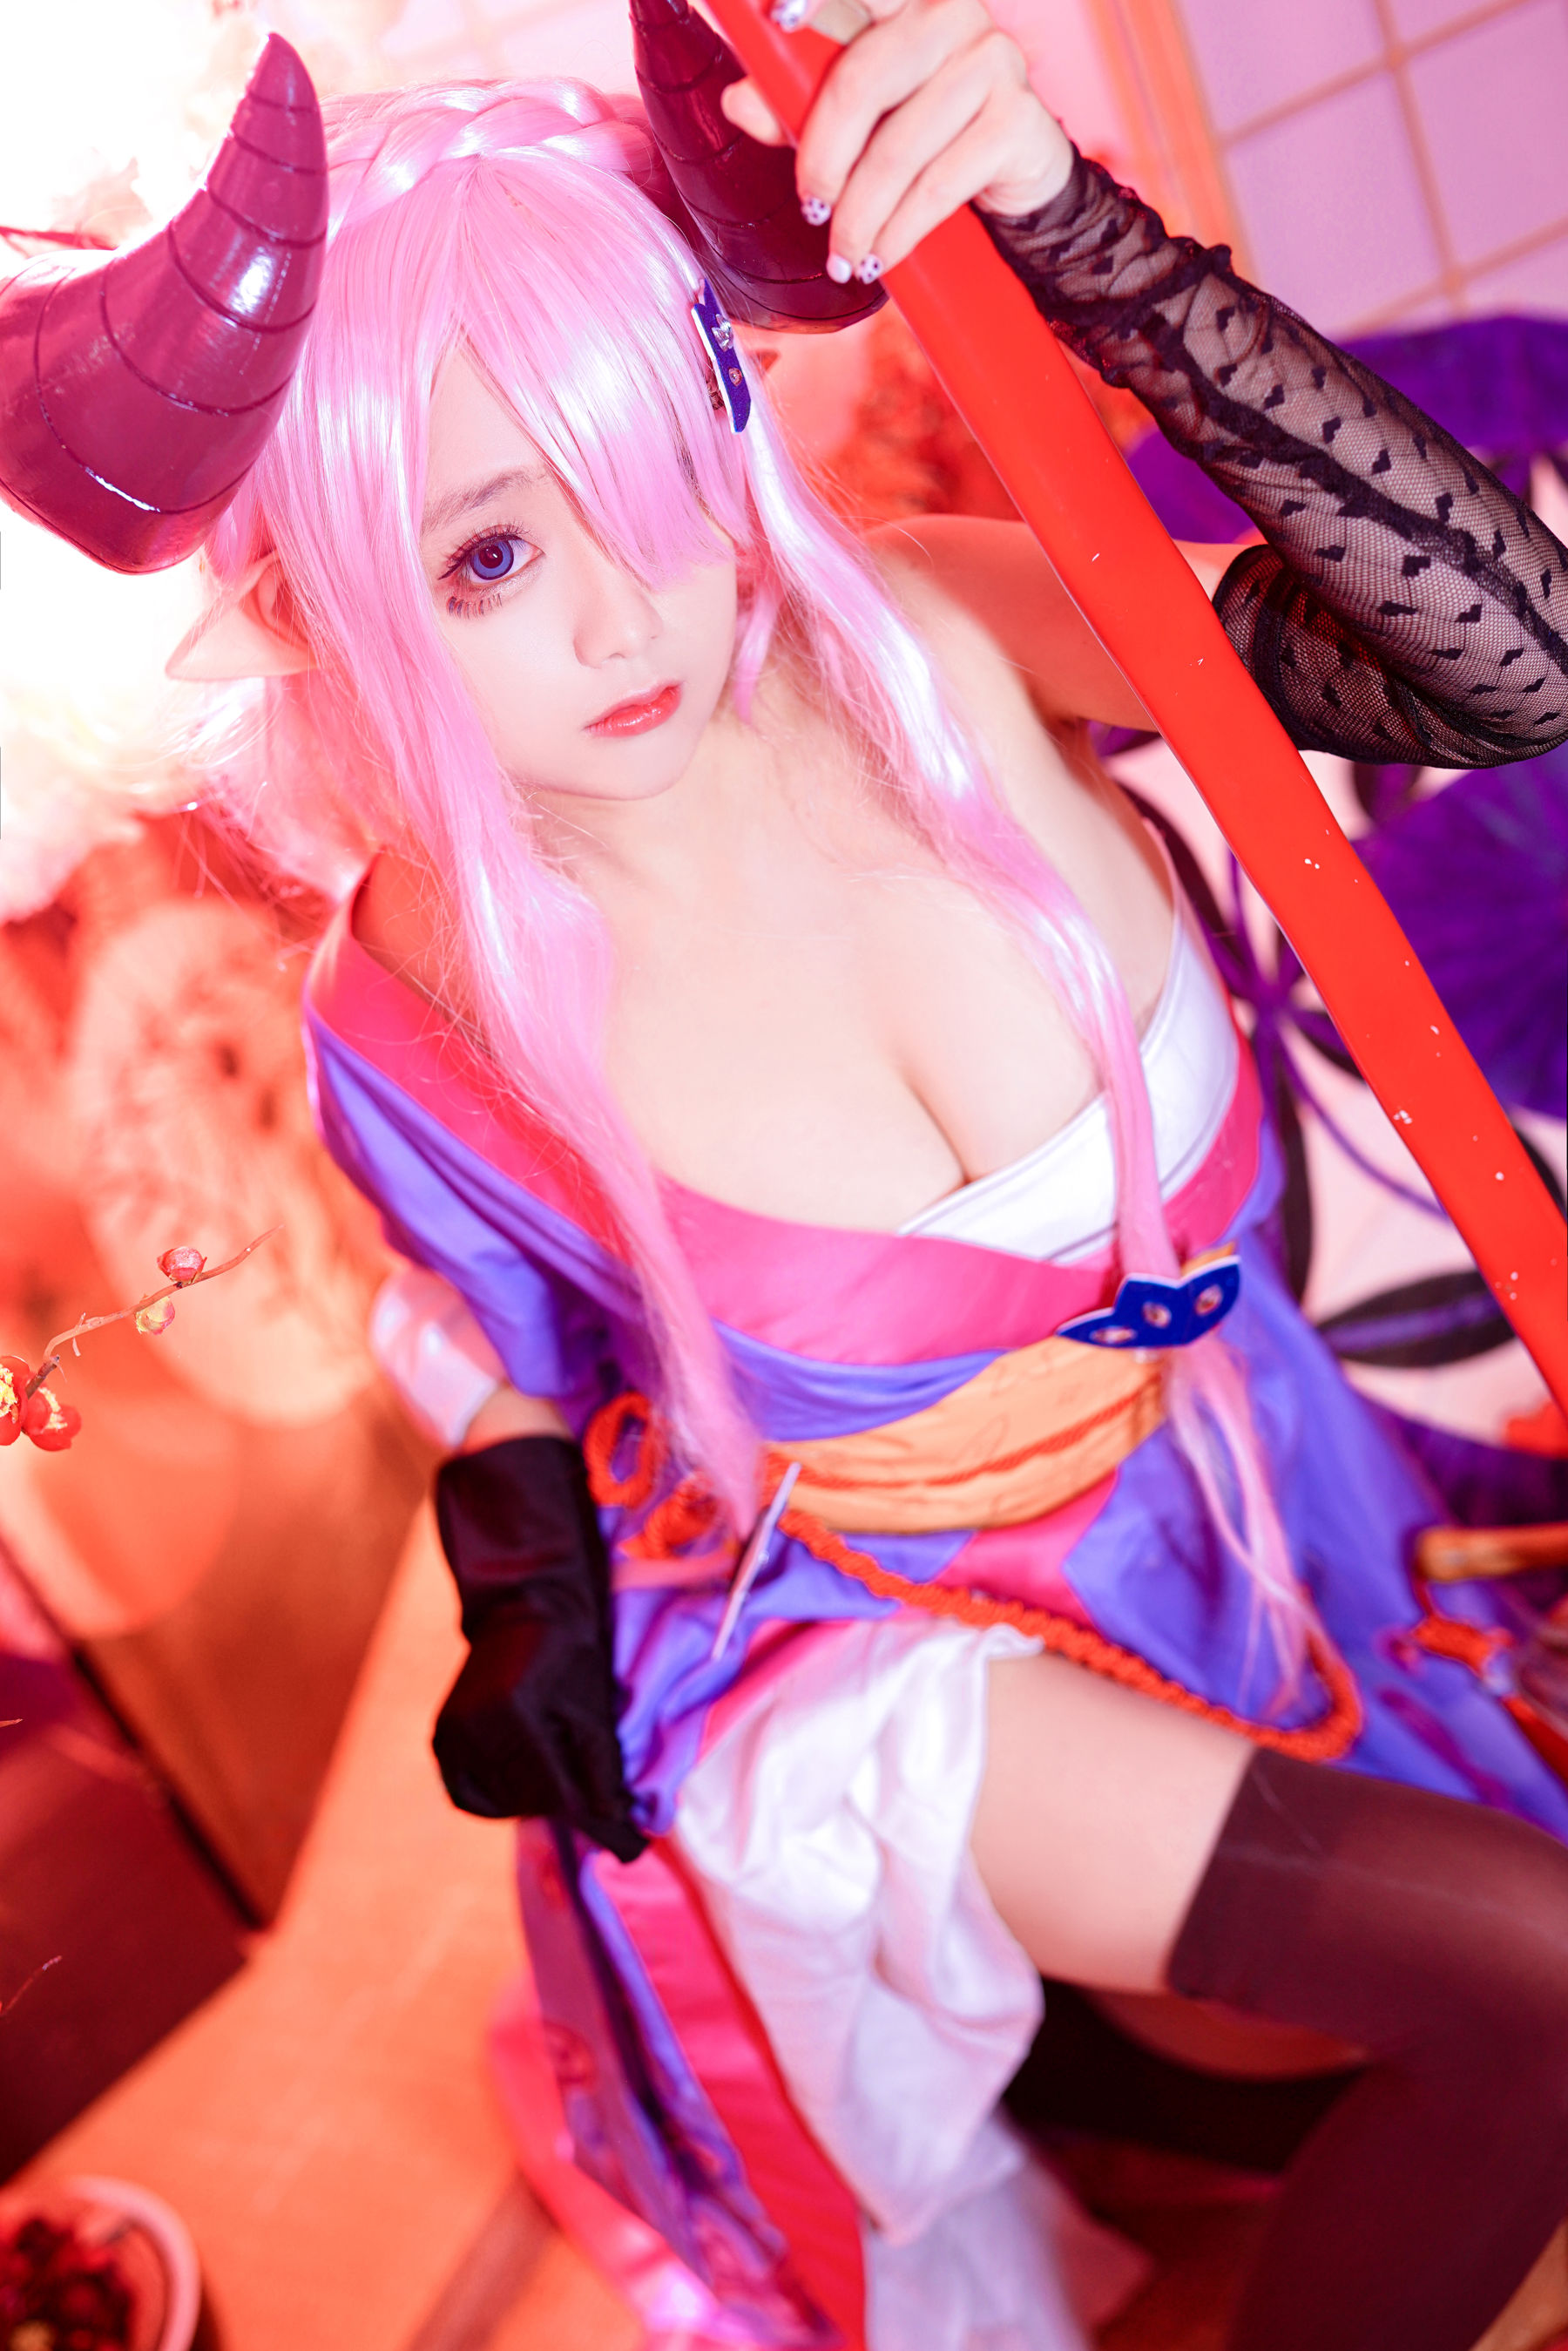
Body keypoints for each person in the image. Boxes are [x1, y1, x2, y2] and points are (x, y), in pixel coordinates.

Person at [103, 10, 1568, 2346]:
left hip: (1264, 1486)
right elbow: (495, 1338)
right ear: (330, 605)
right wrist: (521, 1581)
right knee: (1535, 1977)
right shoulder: (419, 999)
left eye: (651, 459)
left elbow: (1509, 671)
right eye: (492, 554)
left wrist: (1085, 243)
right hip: (879, 1641)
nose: (625, 619)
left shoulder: (932, 635)